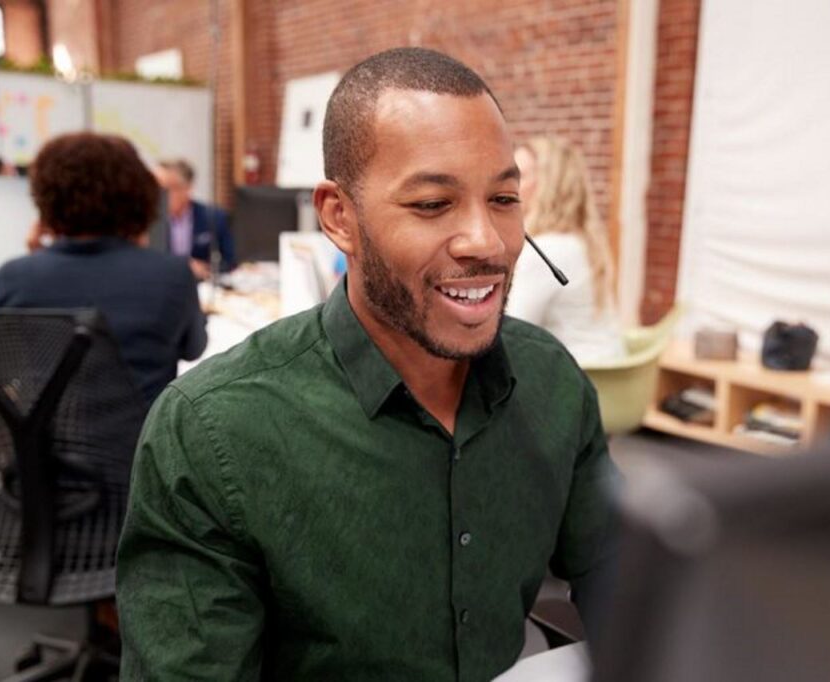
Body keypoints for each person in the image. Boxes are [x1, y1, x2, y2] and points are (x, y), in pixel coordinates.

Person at [116, 47, 620, 681]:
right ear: (339, 217)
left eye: (503, 198)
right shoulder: (214, 432)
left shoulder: (550, 381)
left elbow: (622, 578)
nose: (487, 241)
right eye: (432, 204)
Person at [0, 132, 207, 406]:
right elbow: (193, 349)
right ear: (139, 197)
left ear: (45, 199)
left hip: (46, 433)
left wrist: (36, 259)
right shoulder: (171, 275)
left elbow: (3, 367)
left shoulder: (13, 278)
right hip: (143, 433)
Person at [507, 136, 626, 362]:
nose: (508, 185)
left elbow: (511, 334)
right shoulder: (580, 242)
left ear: (548, 185)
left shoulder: (547, 250)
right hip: (608, 369)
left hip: (576, 375)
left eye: (518, 176)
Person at [155, 158, 237, 279]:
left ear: (187, 188)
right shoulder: (151, 221)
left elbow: (231, 261)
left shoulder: (213, 217)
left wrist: (205, 269)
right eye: (157, 189)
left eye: (168, 189)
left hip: (201, 283)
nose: (160, 195)